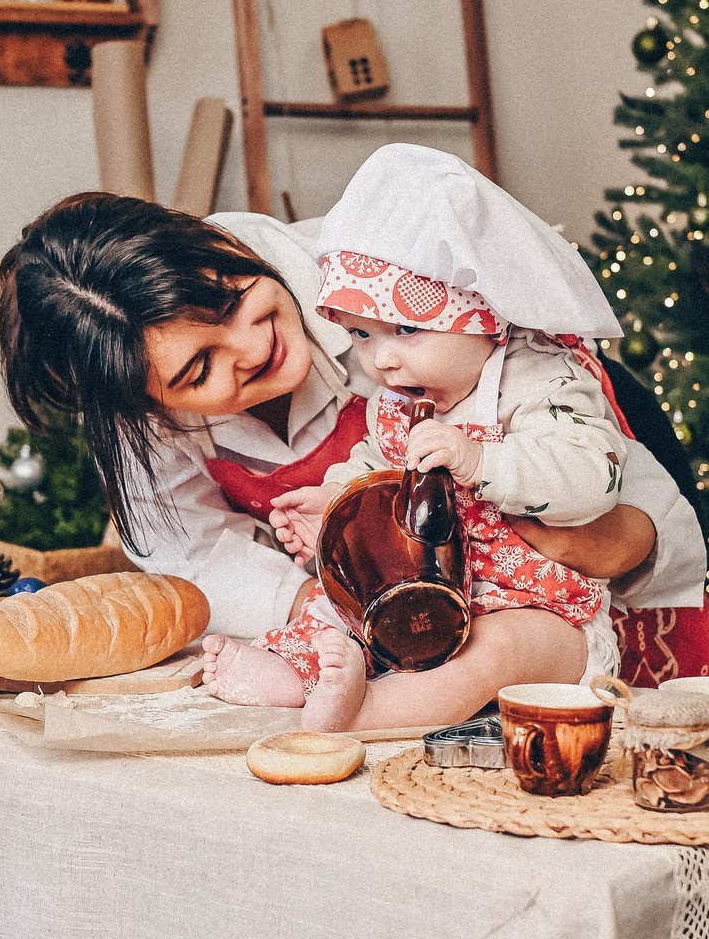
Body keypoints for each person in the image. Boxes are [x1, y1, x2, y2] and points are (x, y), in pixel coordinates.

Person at [0, 148, 709, 689]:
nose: (250, 348)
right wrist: (324, 594)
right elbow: (197, 552)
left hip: (576, 532)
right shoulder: (141, 419)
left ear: (220, 245)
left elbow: (610, 489)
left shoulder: (391, 278)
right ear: (150, 406)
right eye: (199, 371)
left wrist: (614, 544)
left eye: (232, 300)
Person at [202, 148, 636, 731]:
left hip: (543, 616)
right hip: (424, 600)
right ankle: (296, 671)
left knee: (495, 648)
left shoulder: (542, 380)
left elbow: (592, 475)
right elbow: (373, 463)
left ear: (482, 314)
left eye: (406, 328)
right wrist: (340, 502)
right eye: (361, 335)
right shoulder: (401, 400)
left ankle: (368, 712)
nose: (381, 360)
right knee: (343, 607)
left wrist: (481, 461)